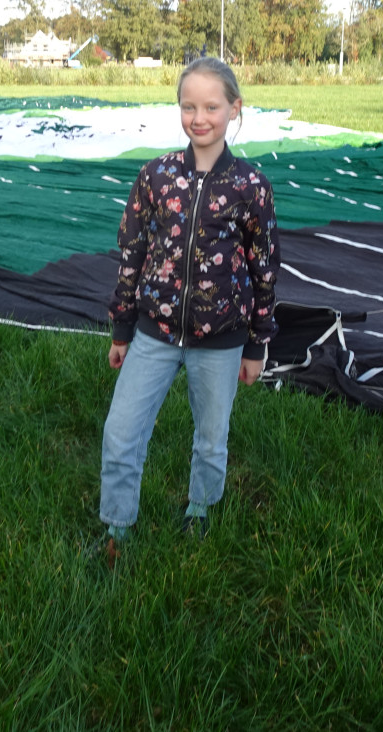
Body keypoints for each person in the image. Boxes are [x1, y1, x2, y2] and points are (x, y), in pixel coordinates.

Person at [97, 57, 279, 557]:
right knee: (120, 433)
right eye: (188, 107)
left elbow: (264, 268)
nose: (199, 118)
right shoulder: (155, 176)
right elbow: (132, 252)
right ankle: (117, 528)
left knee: (211, 438)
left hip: (222, 341)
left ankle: (200, 509)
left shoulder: (250, 186)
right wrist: (122, 328)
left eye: (212, 107)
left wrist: (257, 344)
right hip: (153, 333)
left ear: (234, 108)